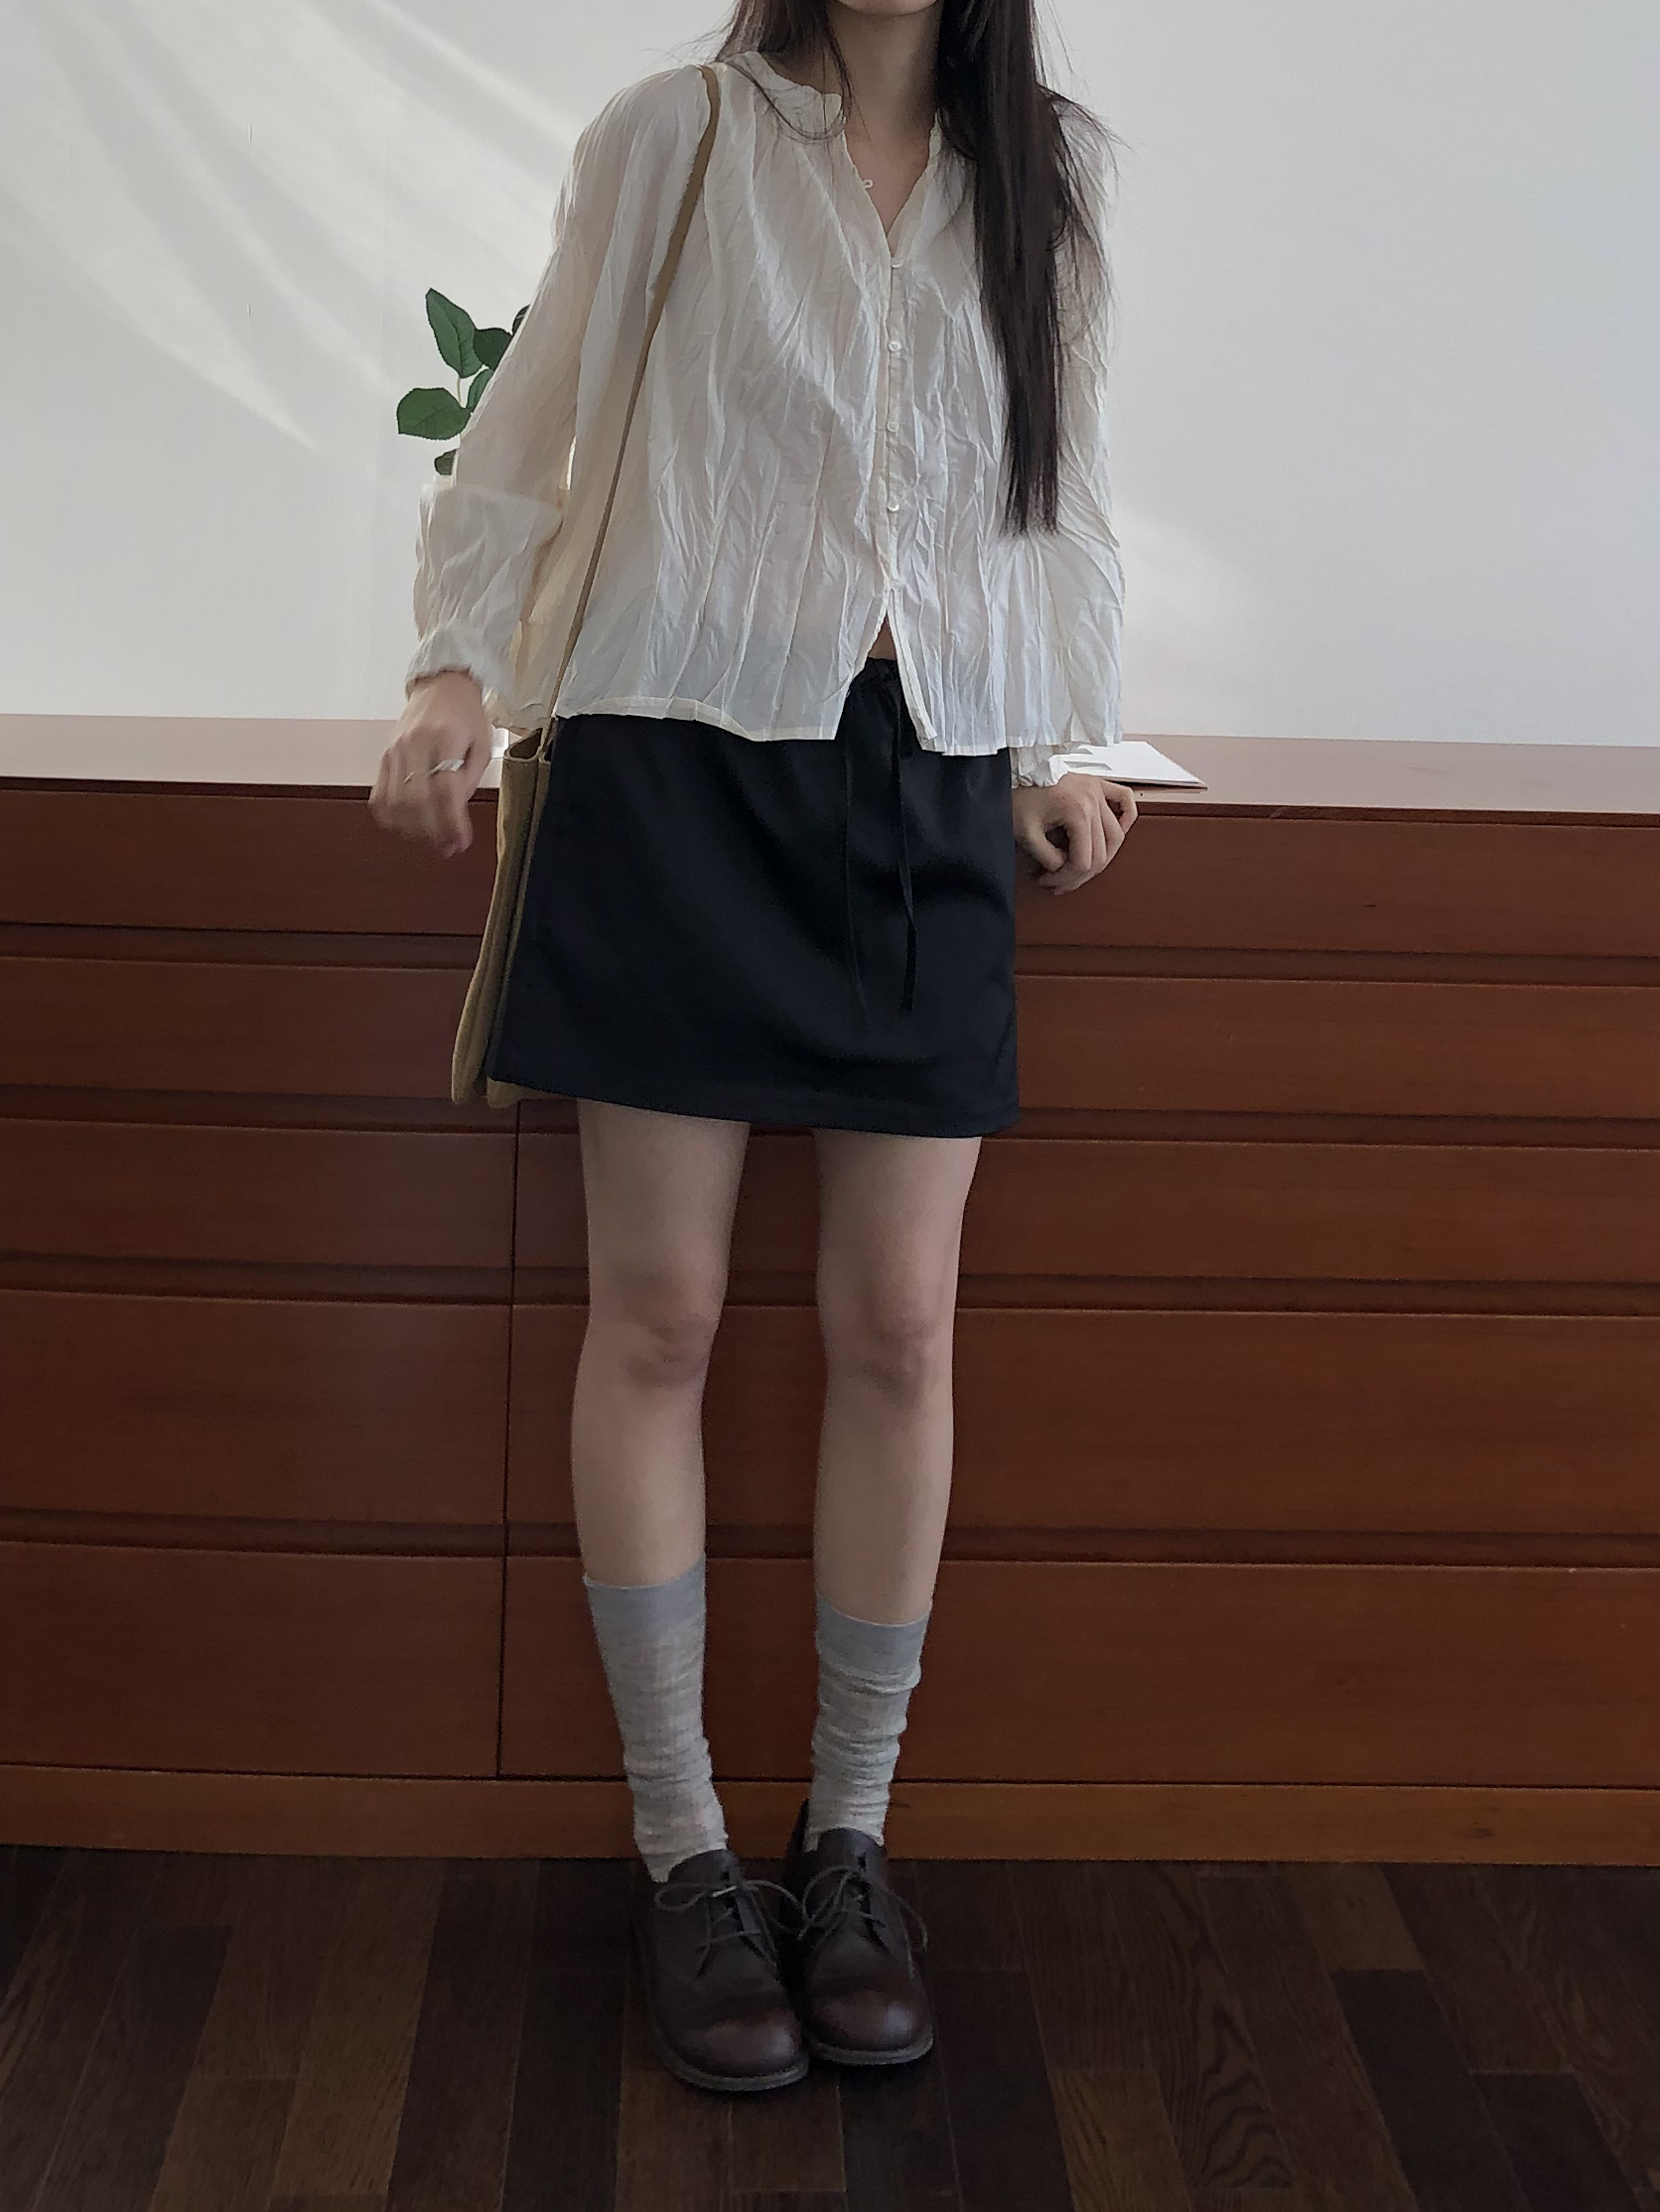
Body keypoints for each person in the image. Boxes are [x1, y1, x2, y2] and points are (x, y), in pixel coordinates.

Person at [369, 0, 1134, 2096]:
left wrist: (1049, 742)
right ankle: (685, 1851)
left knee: (899, 1322)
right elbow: (530, 419)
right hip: (673, 764)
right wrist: (448, 672)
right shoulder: (673, 137)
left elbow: (1048, 488)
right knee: (660, 1314)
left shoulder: (1041, 175)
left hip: (924, 784)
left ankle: (849, 1841)